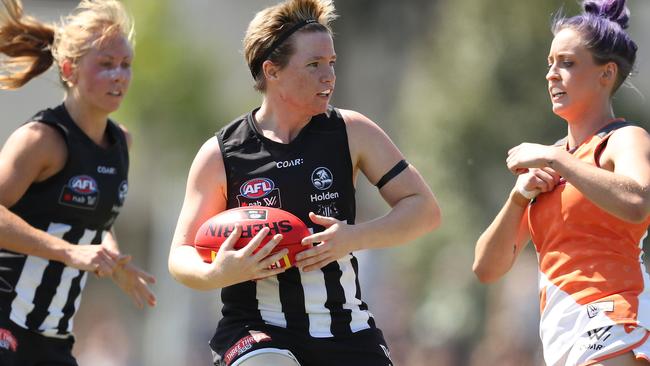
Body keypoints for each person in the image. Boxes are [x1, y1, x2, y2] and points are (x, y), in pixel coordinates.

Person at [168, 0, 441, 365]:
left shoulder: (352, 131)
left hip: (346, 329)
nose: (328, 76)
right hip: (255, 331)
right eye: (313, 65)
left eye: (331, 63)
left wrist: (354, 237)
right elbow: (181, 254)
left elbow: (424, 210)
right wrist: (218, 271)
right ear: (272, 70)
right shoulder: (221, 154)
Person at [473, 0, 650, 365]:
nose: (552, 74)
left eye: (567, 63)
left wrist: (559, 159)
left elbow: (638, 203)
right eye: (550, 64)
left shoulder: (623, 139)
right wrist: (519, 198)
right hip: (561, 335)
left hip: (616, 318)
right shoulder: (552, 162)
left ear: (606, 74)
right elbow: (487, 268)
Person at [0, 1, 156, 365]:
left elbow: (93, 220)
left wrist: (114, 260)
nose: (119, 75)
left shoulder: (122, 142)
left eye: (126, 65)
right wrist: (69, 251)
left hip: (55, 339)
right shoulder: (42, 139)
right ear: (70, 69)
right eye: (105, 65)